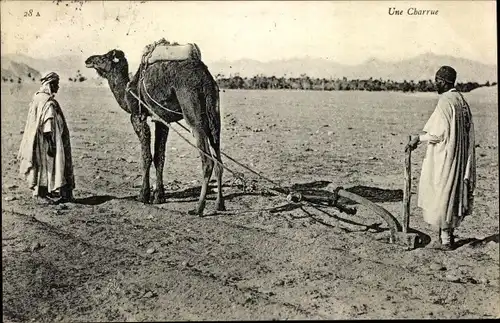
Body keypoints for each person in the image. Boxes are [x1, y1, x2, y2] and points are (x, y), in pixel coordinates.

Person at [407, 66, 476, 250]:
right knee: (452, 194)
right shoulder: (461, 100)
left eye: (437, 80)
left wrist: (418, 139)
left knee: (443, 193)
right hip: (458, 157)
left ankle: (445, 240)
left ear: (444, 82)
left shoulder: (446, 101)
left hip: (447, 157)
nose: (435, 83)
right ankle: (447, 236)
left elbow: (438, 134)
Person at [17, 72, 75, 204]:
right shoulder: (48, 102)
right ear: (50, 84)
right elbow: (47, 124)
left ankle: (43, 192)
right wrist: (51, 144)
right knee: (47, 166)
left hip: (38, 139)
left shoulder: (38, 97)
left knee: (42, 166)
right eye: (56, 84)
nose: (58, 87)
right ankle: (42, 194)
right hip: (45, 140)